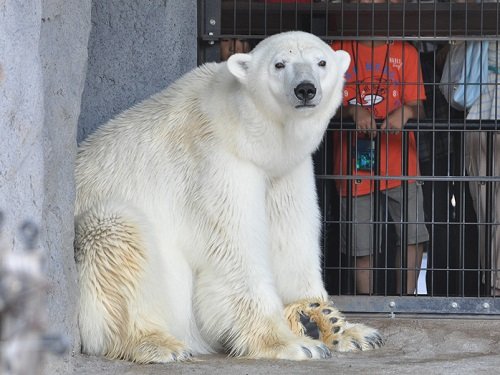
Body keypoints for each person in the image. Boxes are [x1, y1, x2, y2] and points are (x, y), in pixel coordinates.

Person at [330, 1, 429, 295]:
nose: (371, 6)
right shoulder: (337, 51)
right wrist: (351, 111)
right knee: (361, 243)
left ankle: (408, 301)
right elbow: (321, 107)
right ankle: (366, 304)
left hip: (402, 162)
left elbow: (420, 107)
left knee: (413, 235)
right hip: (353, 164)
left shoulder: (406, 51)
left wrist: (407, 112)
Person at [465, 41, 500, 296]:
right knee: (491, 214)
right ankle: (494, 286)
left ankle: (493, 287)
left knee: (488, 215)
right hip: (482, 120)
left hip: (479, 116)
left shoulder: (476, 14)